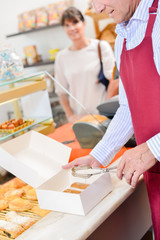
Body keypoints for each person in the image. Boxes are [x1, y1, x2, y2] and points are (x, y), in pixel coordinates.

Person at [63, 0, 160, 238]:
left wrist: (152, 149)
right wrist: (99, 155)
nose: (96, 9)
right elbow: (128, 107)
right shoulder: (122, 37)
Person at [55, 7, 115, 122]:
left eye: (75, 22)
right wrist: (70, 115)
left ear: (84, 23)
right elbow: (61, 92)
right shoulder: (61, 57)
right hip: (79, 120)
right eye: (67, 25)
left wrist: (105, 112)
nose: (71, 28)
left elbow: (114, 80)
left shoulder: (101, 47)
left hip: (104, 117)